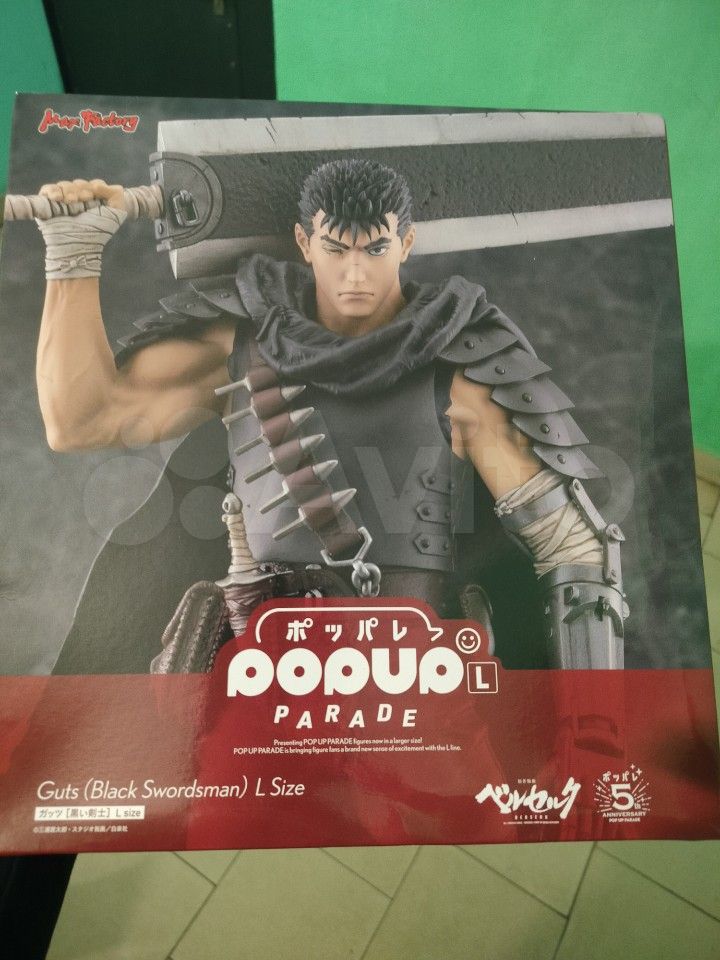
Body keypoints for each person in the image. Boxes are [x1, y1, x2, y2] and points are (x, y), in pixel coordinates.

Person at [35, 158, 626, 671]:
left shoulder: (464, 366)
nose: (355, 274)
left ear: (407, 243)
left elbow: (573, 548)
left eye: (375, 249)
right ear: (304, 242)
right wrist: (73, 255)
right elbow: (81, 422)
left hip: (413, 682)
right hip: (263, 677)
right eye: (337, 249)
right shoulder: (238, 346)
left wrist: (592, 733)